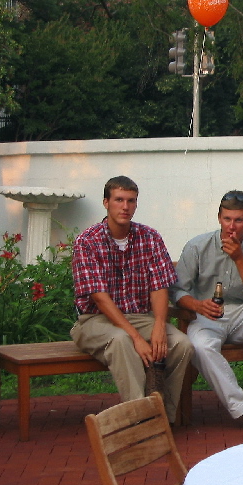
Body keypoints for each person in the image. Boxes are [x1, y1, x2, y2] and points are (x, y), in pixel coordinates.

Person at [71, 176, 192, 423]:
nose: (125, 206)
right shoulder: (87, 241)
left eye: (131, 201)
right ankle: (140, 419)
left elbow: (160, 287)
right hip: (95, 319)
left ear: (136, 204)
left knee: (181, 344)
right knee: (121, 340)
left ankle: (164, 417)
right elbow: (100, 299)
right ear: (106, 202)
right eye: (119, 200)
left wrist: (159, 325)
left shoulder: (150, 237)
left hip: (141, 316)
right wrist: (137, 338)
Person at [171, 191, 243, 437]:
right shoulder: (197, 246)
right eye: (227, 219)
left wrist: (239, 258)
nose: (232, 227)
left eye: (239, 220)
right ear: (219, 218)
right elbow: (178, 290)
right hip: (207, 314)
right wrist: (198, 305)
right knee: (199, 345)